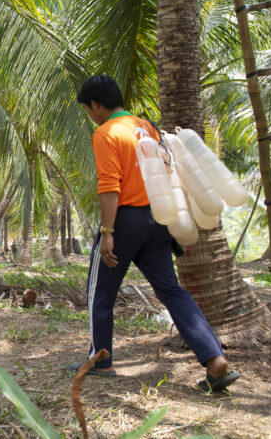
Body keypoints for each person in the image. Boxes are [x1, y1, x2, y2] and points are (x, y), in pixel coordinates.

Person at [72, 74, 239, 392]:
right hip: (159, 218)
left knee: (101, 294)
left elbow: (109, 188)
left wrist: (107, 232)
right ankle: (215, 359)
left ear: (95, 105)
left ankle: (101, 361)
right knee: (172, 291)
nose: (90, 116)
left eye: (88, 110)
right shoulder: (146, 127)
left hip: (125, 221)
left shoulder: (106, 133)